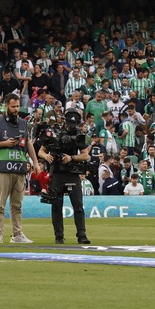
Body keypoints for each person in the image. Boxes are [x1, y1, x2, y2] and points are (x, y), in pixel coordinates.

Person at [36, 102, 93, 245]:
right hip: (57, 172)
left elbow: (86, 155)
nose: (70, 126)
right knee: (56, 205)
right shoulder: (54, 132)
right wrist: (46, 156)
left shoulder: (80, 135)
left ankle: (81, 234)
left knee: (78, 205)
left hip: (72, 172)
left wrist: (72, 158)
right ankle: (59, 236)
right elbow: (41, 150)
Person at [0, 92, 34, 244]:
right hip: (2, 169)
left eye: (18, 106)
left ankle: (17, 234)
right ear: (6, 106)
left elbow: (29, 144)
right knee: (0, 204)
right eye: (13, 106)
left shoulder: (23, 123)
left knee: (17, 205)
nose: (16, 109)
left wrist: (35, 163)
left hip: (19, 169)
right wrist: (5, 144)